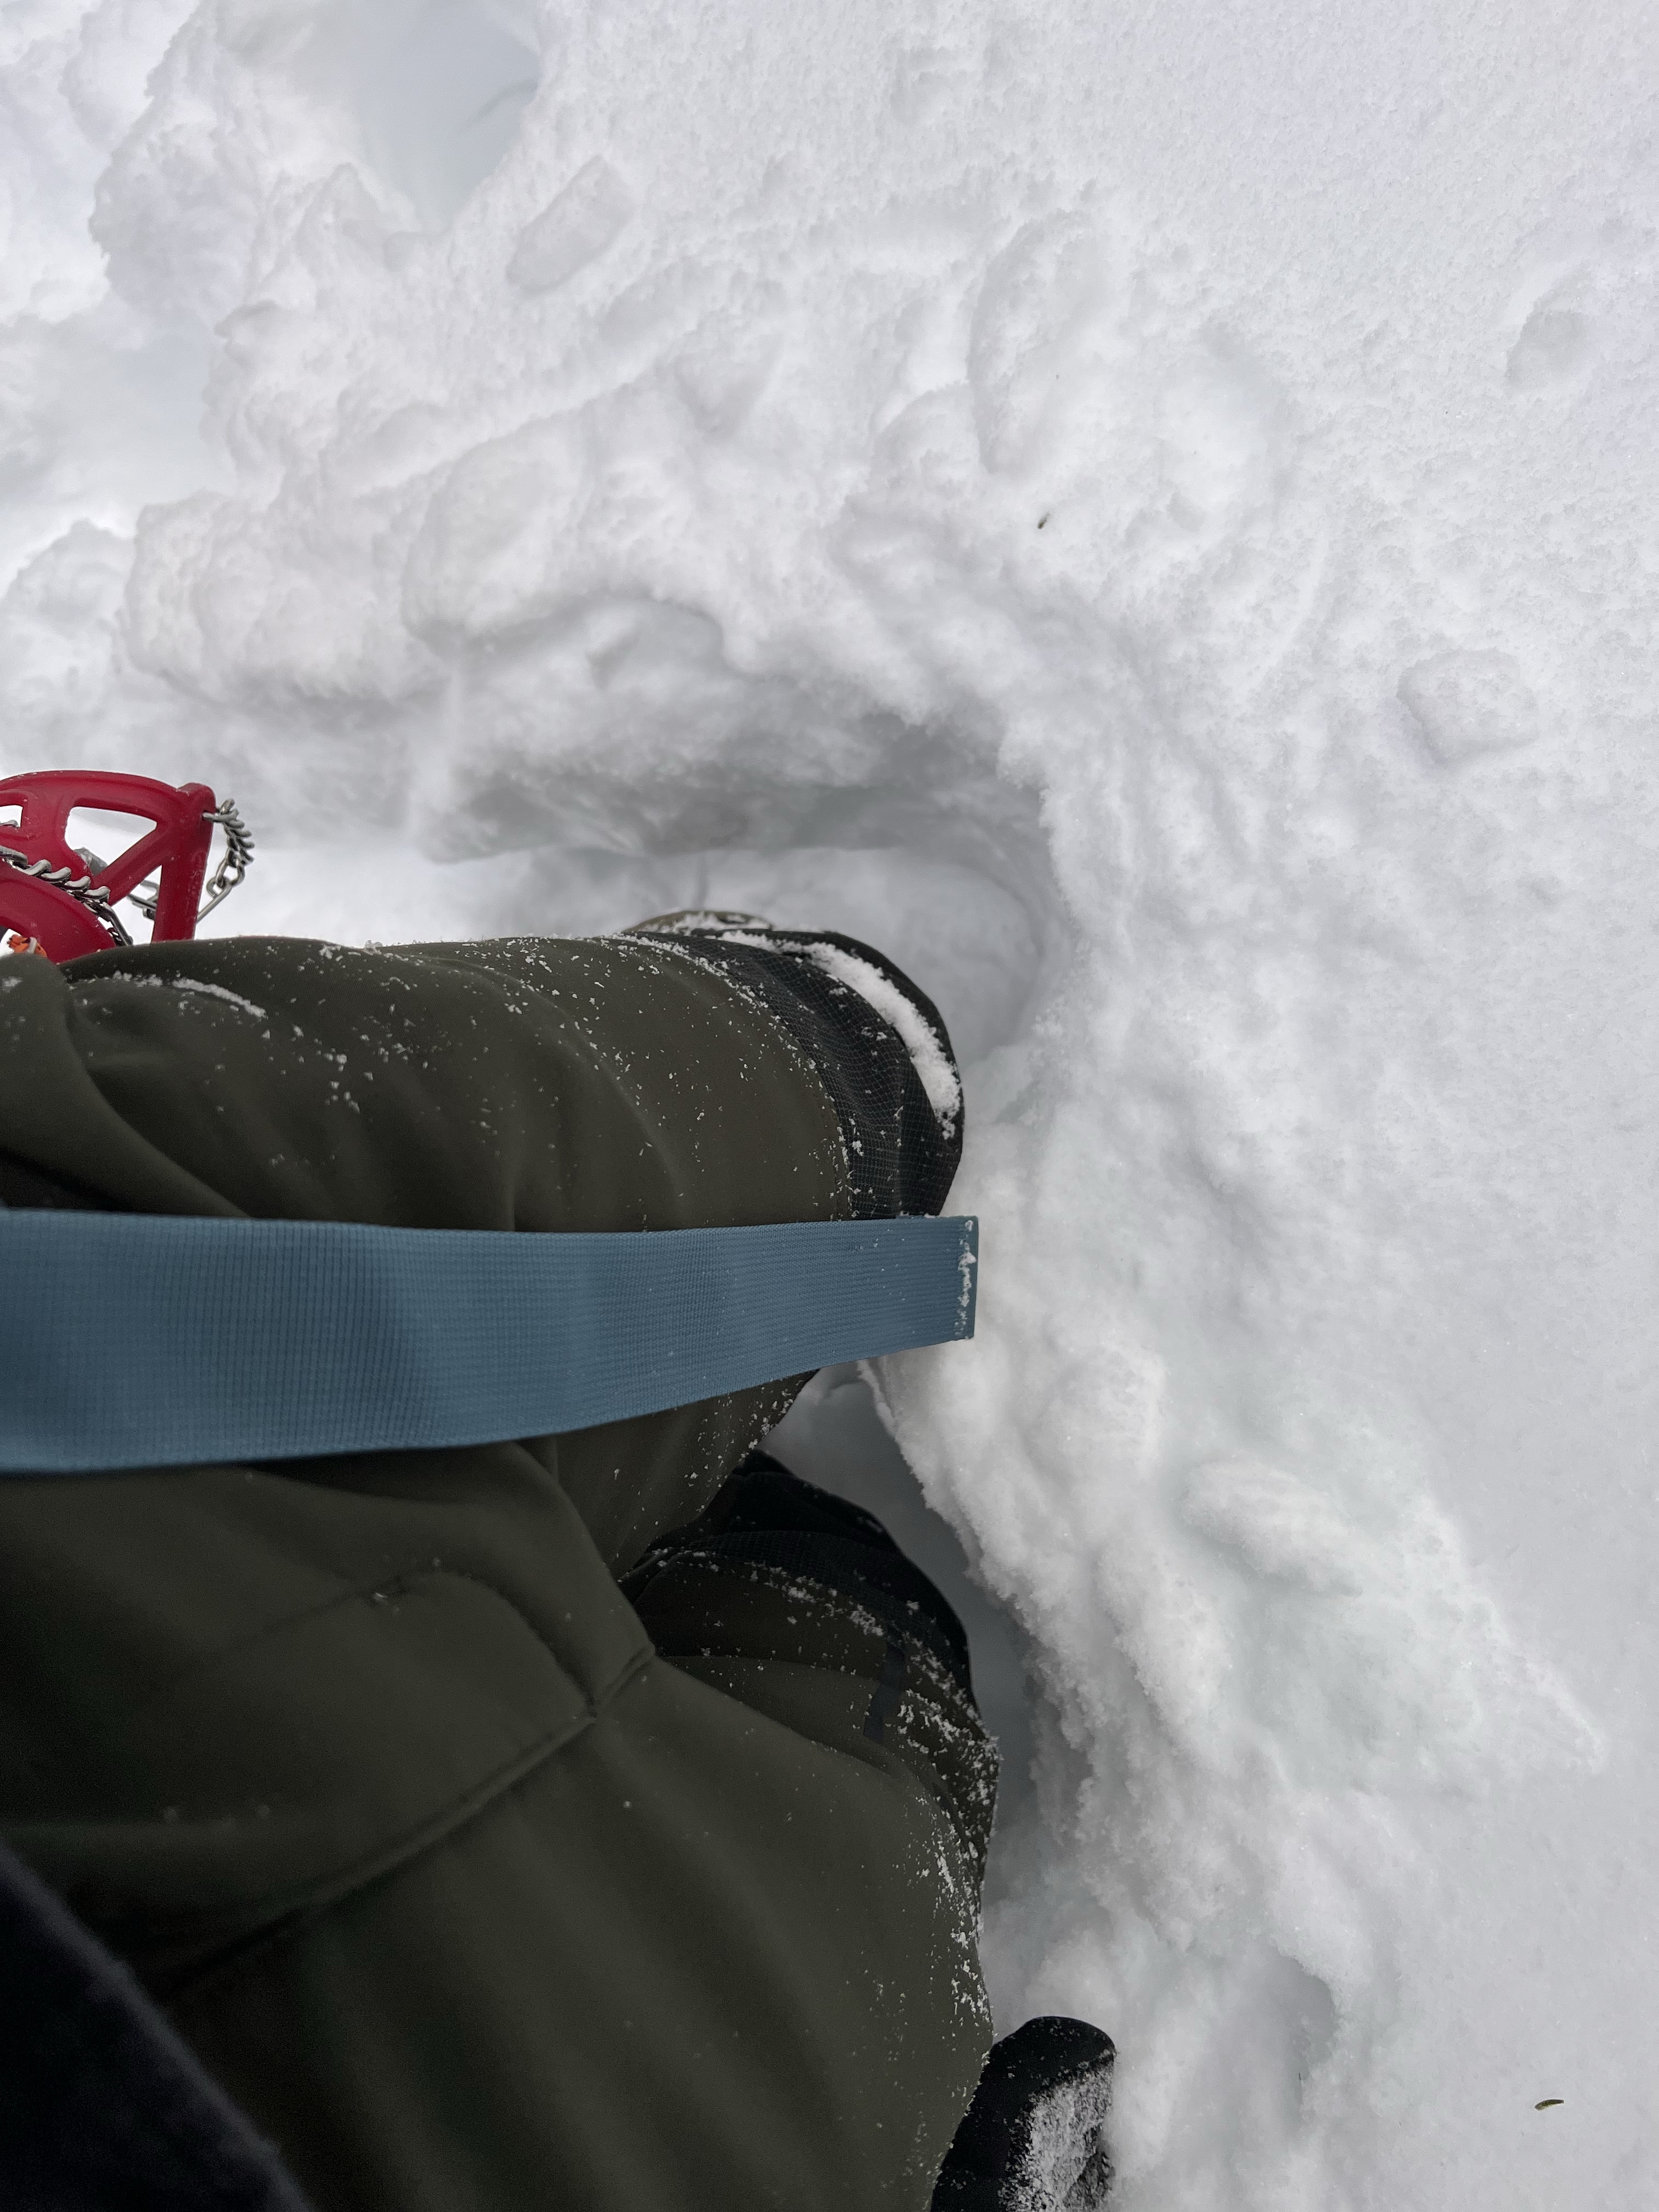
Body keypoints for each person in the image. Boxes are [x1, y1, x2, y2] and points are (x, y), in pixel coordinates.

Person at [0, 911, 1111, 2211]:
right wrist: (816, 1064)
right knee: (200, 1184)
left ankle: (806, 1566)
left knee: (827, 1648)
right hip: (132, 1435)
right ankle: (827, 1081)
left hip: (651, 2091)